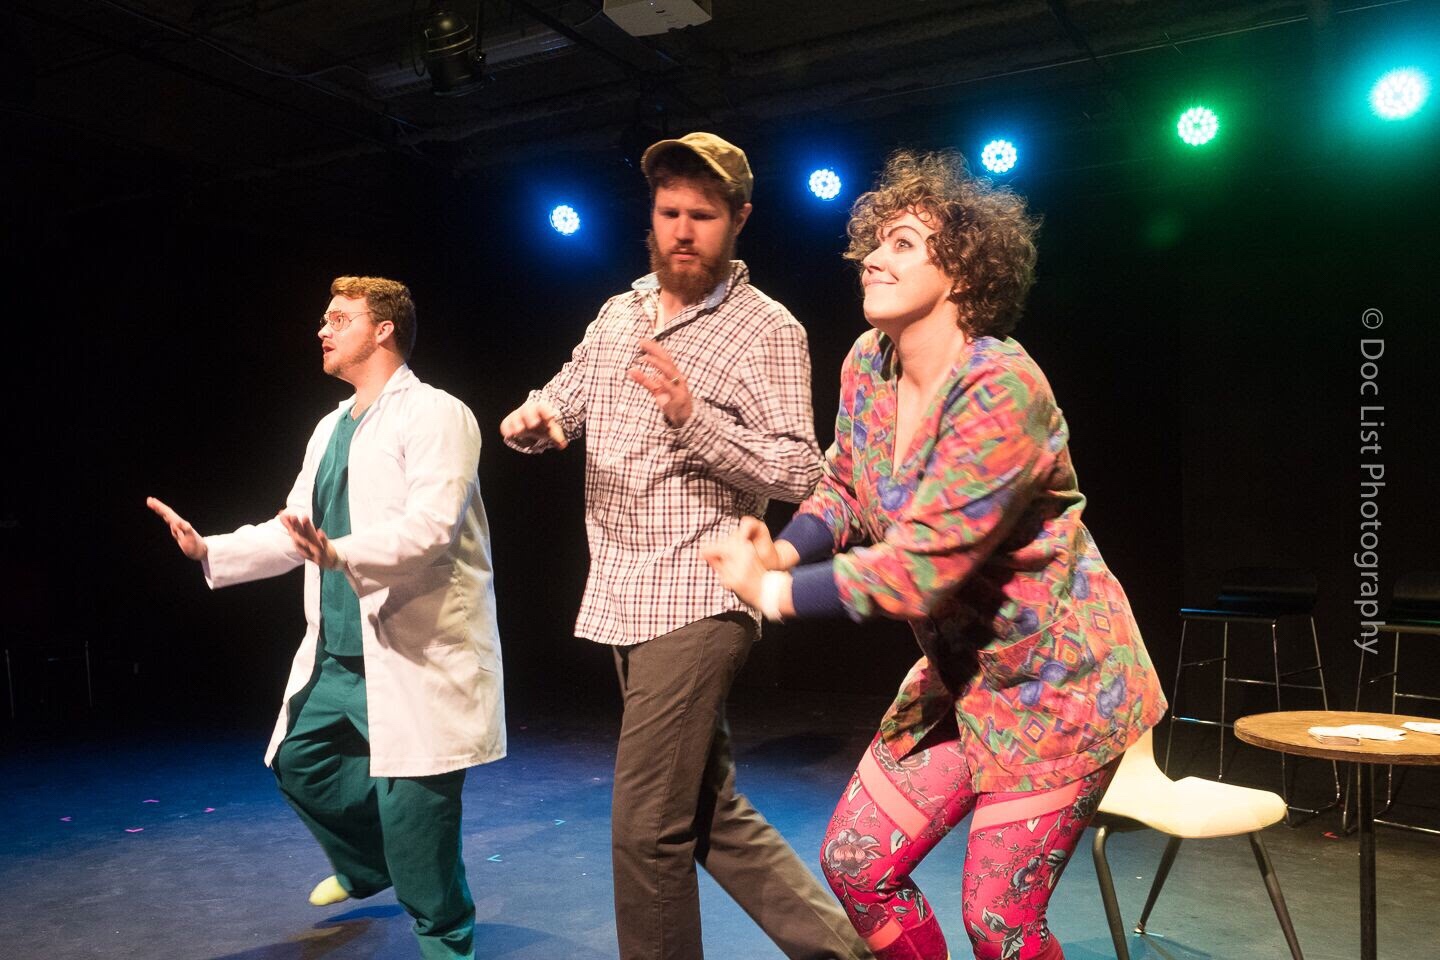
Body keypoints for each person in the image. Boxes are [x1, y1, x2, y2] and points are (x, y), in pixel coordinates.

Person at [701, 150, 1167, 960]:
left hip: (1059, 686)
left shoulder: (1000, 388)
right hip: (961, 677)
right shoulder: (868, 363)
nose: (873, 258)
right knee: (858, 864)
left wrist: (772, 595)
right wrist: (781, 549)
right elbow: (846, 486)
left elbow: (919, 570)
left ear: (963, 271)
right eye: (874, 242)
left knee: (999, 920)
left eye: (904, 243)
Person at [500, 132, 869, 960]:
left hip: (699, 596)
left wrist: (691, 418)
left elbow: (801, 468)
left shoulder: (765, 329)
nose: (682, 231)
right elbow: (564, 401)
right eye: (670, 212)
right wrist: (534, 421)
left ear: (739, 219)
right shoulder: (619, 312)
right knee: (707, 813)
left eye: (702, 216)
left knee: (645, 830)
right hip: (622, 590)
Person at [147, 276, 504, 960]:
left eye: (339, 318)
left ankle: (446, 942)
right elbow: (296, 530)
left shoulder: (438, 414)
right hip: (342, 654)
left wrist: (341, 553)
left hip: (417, 653)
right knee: (300, 762)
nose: (323, 329)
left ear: (384, 329)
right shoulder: (329, 427)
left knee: (417, 821)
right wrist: (210, 549)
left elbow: (432, 528)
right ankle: (370, 866)